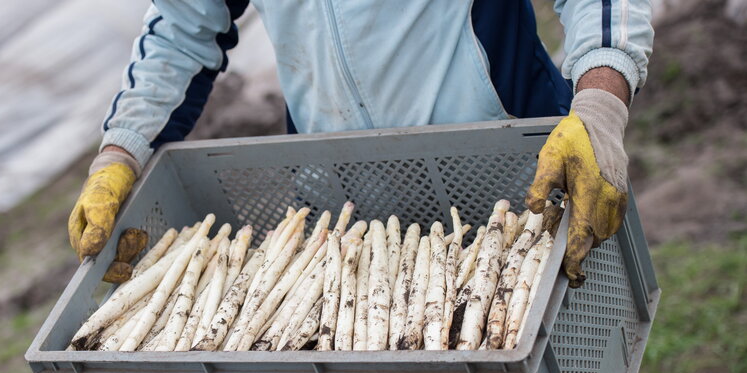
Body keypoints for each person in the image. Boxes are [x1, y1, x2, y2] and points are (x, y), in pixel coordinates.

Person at [68, 0, 653, 288]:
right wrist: (120, 152)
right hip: (351, 226)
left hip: (515, 190)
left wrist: (599, 105)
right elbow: (182, 26)